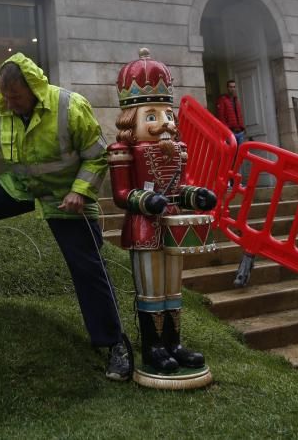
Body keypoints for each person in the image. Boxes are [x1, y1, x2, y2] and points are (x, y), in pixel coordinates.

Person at [0, 54, 131, 381]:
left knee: (87, 266)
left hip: (66, 196)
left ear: (36, 90)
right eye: (6, 97)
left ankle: (115, 345)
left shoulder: (71, 106)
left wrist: (80, 192)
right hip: (22, 187)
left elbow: (97, 156)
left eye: (17, 98)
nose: (10, 105)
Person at [108, 49, 216, 387]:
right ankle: (153, 347)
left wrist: (194, 195)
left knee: (173, 287)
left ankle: (175, 343)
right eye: (152, 116)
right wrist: (147, 200)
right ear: (130, 121)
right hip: (143, 228)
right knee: (151, 290)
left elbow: (179, 185)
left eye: (167, 114)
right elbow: (122, 194)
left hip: (171, 225)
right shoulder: (122, 152)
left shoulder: (177, 150)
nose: (166, 123)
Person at [215, 79, 245, 144]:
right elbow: (221, 117)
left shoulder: (236, 100)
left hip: (240, 132)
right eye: (231, 87)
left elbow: (239, 115)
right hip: (231, 133)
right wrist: (226, 131)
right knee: (232, 153)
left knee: (241, 153)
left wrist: (242, 127)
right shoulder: (222, 100)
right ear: (228, 88)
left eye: (234, 87)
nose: (233, 89)